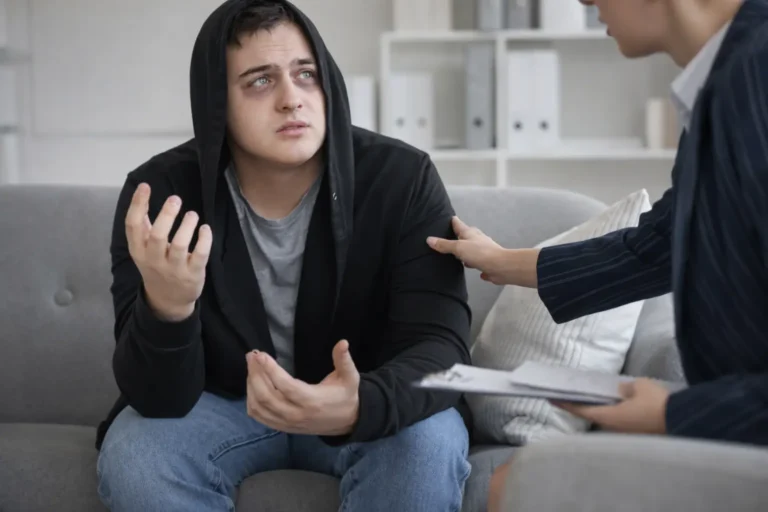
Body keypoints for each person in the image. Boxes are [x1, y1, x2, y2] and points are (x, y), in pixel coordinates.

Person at [95, 1, 473, 510]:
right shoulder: (160, 195)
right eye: (259, 81)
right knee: (137, 454)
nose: (291, 99)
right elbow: (159, 399)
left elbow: (440, 345)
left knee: (427, 444)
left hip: (368, 397)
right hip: (224, 403)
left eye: (306, 74)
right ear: (216, 104)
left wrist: (362, 403)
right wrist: (168, 308)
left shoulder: (403, 178)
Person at [427, 0, 768, 510]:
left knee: (530, 486)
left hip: (740, 424)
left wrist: (675, 413)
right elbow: (657, 244)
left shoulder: (754, 79)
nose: (582, 2)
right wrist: (501, 261)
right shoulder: (724, 83)